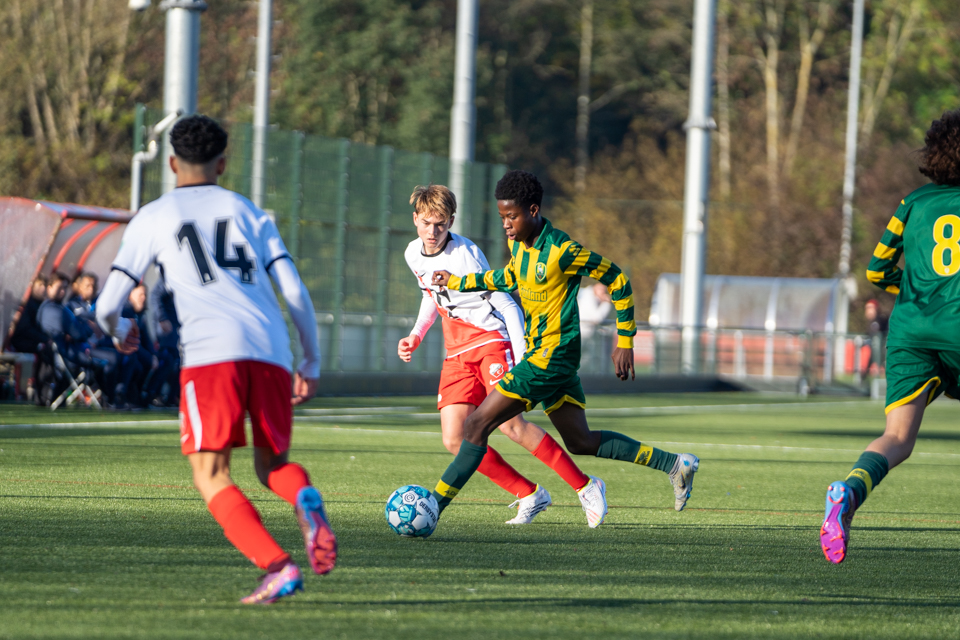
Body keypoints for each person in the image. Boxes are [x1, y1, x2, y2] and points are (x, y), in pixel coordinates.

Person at [95, 114, 333, 604]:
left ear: (170, 162)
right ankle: (305, 498)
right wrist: (308, 361)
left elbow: (106, 306)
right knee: (272, 467)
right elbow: (293, 290)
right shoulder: (250, 212)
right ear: (223, 163)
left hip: (210, 356)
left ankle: (279, 566)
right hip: (270, 350)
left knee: (210, 473)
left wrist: (120, 330)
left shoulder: (155, 216)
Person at [428, 170, 700, 528]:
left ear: (534, 210)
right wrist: (460, 282)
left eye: (512, 217)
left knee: (476, 424)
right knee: (580, 440)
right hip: (549, 357)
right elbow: (509, 277)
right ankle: (674, 464)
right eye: (502, 217)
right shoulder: (519, 246)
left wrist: (625, 340)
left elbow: (618, 279)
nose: (506, 225)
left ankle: (433, 507)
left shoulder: (563, 251)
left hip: (550, 358)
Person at [399, 184, 596, 526]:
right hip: (456, 350)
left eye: (441, 224)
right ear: (416, 219)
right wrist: (416, 335)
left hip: (491, 340)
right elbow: (431, 294)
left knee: (510, 424)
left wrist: (520, 358)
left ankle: (586, 486)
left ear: (451, 221)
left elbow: (505, 301)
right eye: (428, 223)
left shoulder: (465, 254)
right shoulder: (412, 253)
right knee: (453, 438)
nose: (434, 231)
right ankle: (529, 494)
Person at [820, 109, 960, 564]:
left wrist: (920, 289)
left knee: (897, 437)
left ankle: (850, 491)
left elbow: (877, 269)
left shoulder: (913, 203)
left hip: (911, 329)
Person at [9, 276, 49, 354]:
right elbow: (26, 328)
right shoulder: (28, 304)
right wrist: (44, 339)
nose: (43, 288)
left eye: (45, 285)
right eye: (40, 285)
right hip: (21, 342)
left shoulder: (42, 305)